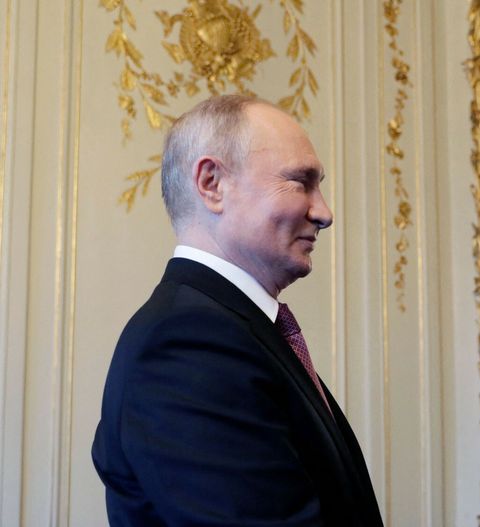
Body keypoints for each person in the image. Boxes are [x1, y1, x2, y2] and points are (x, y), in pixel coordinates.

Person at [92, 95, 383, 526]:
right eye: (300, 182)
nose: (324, 213)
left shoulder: (232, 329)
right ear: (212, 183)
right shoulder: (187, 343)